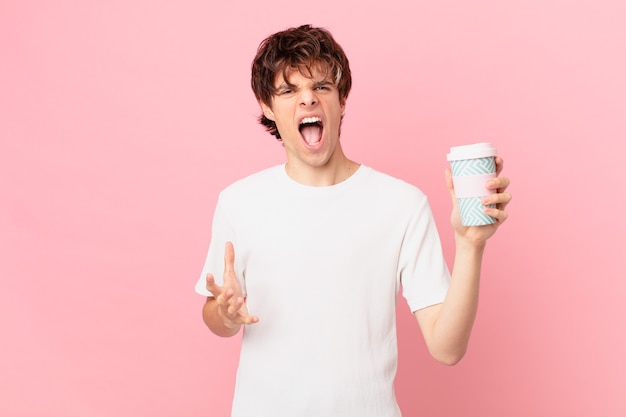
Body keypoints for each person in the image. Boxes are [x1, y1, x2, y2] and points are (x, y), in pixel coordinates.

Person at [195, 24, 511, 417]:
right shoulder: (239, 202)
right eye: (289, 91)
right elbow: (217, 317)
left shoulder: (402, 204)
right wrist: (223, 314)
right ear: (266, 106)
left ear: (341, 100)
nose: (308, 99)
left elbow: (447, 348)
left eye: (322, 87)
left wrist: (470, 245)